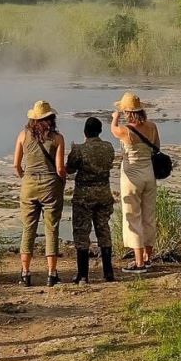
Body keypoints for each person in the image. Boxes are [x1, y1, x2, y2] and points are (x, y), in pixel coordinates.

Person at [14, 100, 67, 287]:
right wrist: (63, 179)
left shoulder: (23, 135)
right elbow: (60, 168)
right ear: (51, 118)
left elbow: (16, 165)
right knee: (51, 228)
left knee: (28, 228)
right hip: (51, 185)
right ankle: (52, 274)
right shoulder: (58, 138)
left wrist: (25, 177)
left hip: (29, 184)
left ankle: (25, 273)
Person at [111, 92, 159, 273]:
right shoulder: (152, 127)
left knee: (133, 216)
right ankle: (148, 257)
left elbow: (113, 130)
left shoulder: (125, 130)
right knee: (148, 216)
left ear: (127, 112)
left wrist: (114, 118)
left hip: (131, 177)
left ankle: (139, 262)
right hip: (149, 174)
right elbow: (157, 148)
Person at [66, 116, 117, 284]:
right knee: (104, 230)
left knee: (82, 233)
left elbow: (70, 169)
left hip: (84, 197)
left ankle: (83, 274)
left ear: (85, 132)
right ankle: (108, 272)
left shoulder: (80, 150)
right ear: (100, 131)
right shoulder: (108, 147)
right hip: (104, 193)